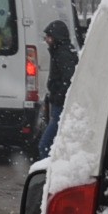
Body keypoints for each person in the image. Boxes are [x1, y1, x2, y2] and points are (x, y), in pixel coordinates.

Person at [36, 20, 77, 160]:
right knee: (52, 143)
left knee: (45, 145)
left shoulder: (62, 53)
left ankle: (47, 174)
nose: (47, 40)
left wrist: (59, 96)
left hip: (61, 105)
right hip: (59, 103)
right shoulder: (61, 52)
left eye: (49, 36)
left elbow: (69, 78)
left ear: (57, 37)